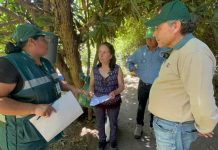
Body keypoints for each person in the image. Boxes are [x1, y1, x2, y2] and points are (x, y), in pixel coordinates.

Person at [145, 0, 218, 150]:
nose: (154, 33)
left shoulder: (194, 52)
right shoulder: (183, 50)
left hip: (174, 130)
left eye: (158, 27)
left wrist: (205, 125)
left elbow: (201, 96)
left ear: (176, 26)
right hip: (171, 128)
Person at [0, 23, 84, 150]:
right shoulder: (9, 64)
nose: (47, 43)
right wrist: (34, 108)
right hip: (21, 140)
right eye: (43, 39)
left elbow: (56, 82)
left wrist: (73, 88)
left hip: (43, 132)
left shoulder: (46, 63)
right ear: (31, 41)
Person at [126, 27, 165, 139]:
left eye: (151, 38)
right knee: (141, 106)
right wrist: (133, 68)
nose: (148, 40)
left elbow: (169, 65)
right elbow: (129, 61)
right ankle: (139, 126)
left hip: (156, 85)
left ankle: (153, 127)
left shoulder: (163, 52)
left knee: (154, 107)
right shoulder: (140, 51)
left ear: (156, 39)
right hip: (143, 84)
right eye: (147, 38)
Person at [89, 42, 124, 150]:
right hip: (98, 102)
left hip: (113, 101)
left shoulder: (117, 69)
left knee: (113, 123)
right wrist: (90, 92)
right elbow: (91, 86)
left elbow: (122, 86)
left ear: (111, 56)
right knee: (99, 123)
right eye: (100, 52)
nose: (101, 55)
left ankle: (113, 142)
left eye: (104, 52)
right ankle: (102, 141)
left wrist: (115, 92)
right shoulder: (94, 70)